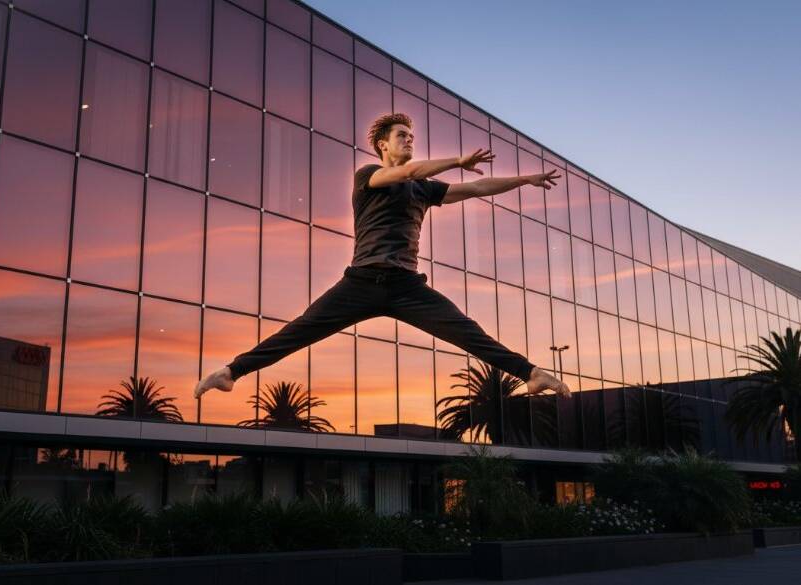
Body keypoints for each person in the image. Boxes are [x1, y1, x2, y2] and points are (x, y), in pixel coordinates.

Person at [194, 113, 570, 401]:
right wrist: (455, 159)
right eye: (401, 136)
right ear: (382, 146)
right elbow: (407, 171)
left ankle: (531, 373)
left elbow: (475, 187)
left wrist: (523, 180)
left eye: (412, 137)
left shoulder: (423, 188)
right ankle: (230, 372)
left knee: (468, 333)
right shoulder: (368, 175)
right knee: (300, 331)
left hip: (407, 286)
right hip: (361, 281)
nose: (409, 140)